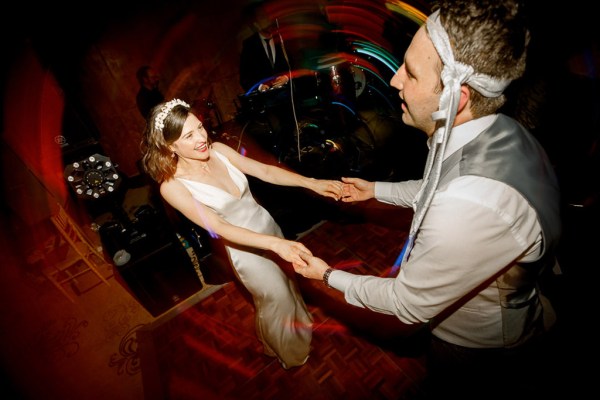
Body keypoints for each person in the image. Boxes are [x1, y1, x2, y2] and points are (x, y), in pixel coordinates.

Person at [293, 0, 562, 397]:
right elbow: (437, 184)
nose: (395, 80)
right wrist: (375, 190)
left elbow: (407, 303)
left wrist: (326, 275)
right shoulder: (497, 128)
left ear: (459, 96)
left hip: (475, 349)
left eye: (412, 73)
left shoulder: (468, 206)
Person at [140, 98, 343, 369]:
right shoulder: (172, 187)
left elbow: (264, 170)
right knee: (275, 299)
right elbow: (220, 227)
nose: (202, 138)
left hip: (268, 227)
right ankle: (289, 352)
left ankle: (299, 323)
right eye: (189, 135)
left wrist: (311, 183)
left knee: (288, 281)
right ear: (169, 146)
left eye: (200, 127)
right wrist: (274, 245)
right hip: (246, 250)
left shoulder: (219, 150)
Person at [239, 2, 290, 93]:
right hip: (266, 98)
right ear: (256, 23)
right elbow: (245, 78)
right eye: (263, 17)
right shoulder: (249, 45)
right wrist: (260, 87)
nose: (269, 20)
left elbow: (295, 62)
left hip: (287, 92)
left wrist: (286, 77)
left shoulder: (282, 37)